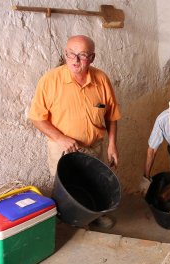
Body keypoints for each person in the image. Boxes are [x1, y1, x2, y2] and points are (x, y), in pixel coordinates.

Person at [28, 35, 121, 228]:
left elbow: (111, 116)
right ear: (65, 54)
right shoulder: (50, 80)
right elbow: (36, 118)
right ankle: (66, 228)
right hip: (62, 149)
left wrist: (112, 144)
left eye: (82, 55)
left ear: (92, 58)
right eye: (71, 54)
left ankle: (93, 218)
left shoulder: (101, 79)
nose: (75, 60)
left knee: (92, 185)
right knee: (65, 191)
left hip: (93, 147)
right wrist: (60, 138)